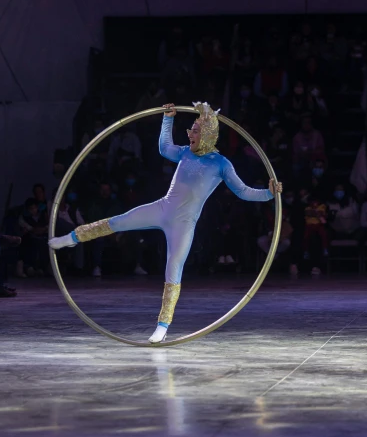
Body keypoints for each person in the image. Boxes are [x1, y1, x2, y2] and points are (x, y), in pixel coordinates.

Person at [49, 102, 282, 343]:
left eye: (195, 130)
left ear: (209, 134)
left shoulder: (221, 164)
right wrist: (167, 119)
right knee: (118, 221)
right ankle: (71, 238)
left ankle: (163, 325)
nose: (190, 134)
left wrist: (268, 193)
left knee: (173, 268)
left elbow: (243, 191)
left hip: (183, 224)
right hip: (162, 208)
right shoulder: (185, 152)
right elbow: (164, 148)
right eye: (191, 129)